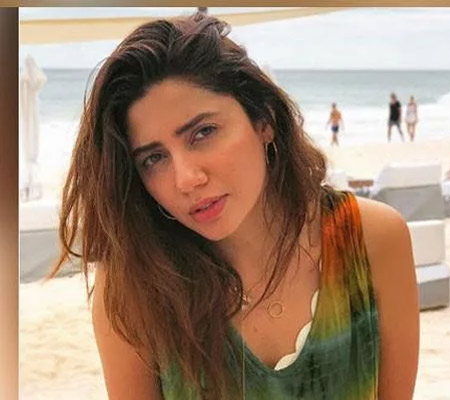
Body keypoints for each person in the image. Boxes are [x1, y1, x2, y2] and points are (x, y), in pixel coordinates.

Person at [51, 15, 419, 400]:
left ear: (264, 121)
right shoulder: (134, 286)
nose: (186, 179)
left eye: (202, 133)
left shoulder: (371, 238)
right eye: (154, 158)